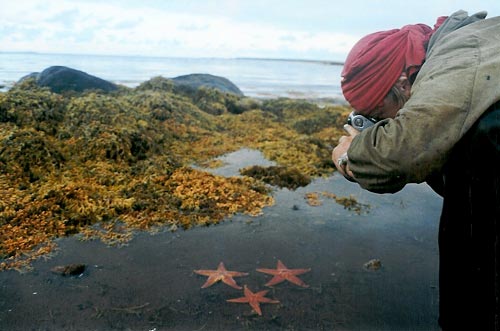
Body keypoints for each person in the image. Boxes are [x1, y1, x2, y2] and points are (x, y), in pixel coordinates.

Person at [332, 10, 500, 331]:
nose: (383, 125)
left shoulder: (457, 56)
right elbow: (431, 152)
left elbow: (403, 153)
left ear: (403, 82)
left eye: (380, 114)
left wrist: (347, 157)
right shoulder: (456, 48)